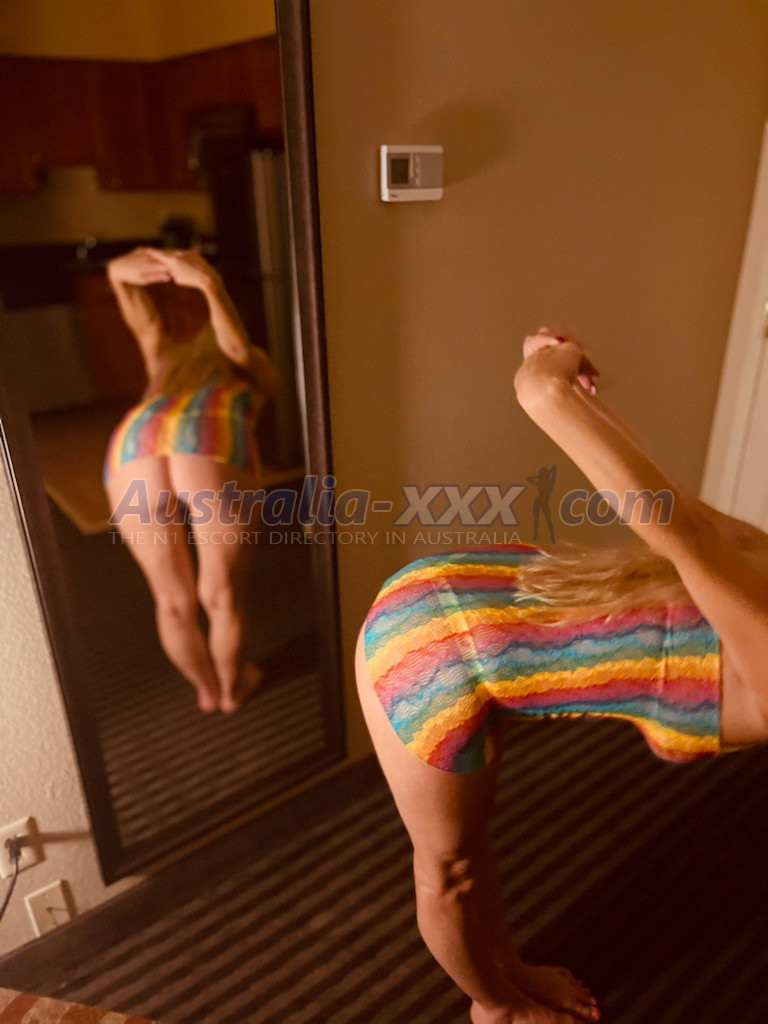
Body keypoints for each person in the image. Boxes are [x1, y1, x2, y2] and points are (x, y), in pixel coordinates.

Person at [355, 328, 768, 1024]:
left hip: (474, 608)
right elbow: (681, 525)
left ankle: (508, 969)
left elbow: (685, 517)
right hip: (433, 652)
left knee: (472, 841)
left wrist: (571, 388)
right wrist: (548, 382)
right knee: (449, 870)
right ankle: (496, 1009)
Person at [103, 247, 278, 714]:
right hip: (207, 436)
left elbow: (144, 321)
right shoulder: (248, 367)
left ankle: (206, 691)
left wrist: (118, 274)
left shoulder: (165, 360)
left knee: (171, 602)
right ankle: (233, 689)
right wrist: (208, 283)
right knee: (221, 596)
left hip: (134, 442)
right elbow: (237, 348)